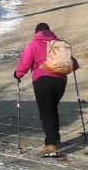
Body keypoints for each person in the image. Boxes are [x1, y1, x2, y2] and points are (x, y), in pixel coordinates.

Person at [14, 22, 79, 156]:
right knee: (52, 108)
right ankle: (55, 137)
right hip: (60, 82)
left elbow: (25, 63)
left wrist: (17, 74)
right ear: (50, 31)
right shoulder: (59, 44)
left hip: (42, 81)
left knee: (46, 112)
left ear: (36, 33)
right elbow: (75, 64)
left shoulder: (33, 44)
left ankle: (50, 145)